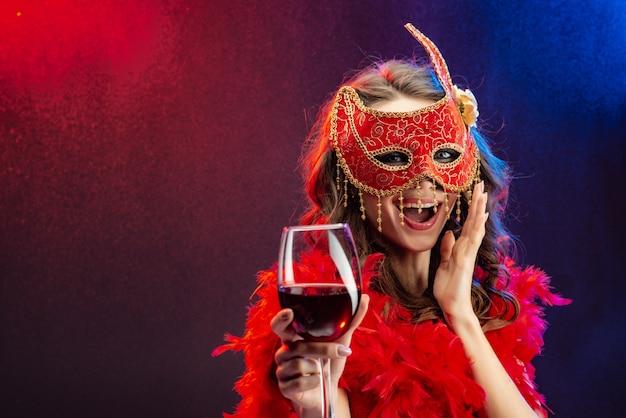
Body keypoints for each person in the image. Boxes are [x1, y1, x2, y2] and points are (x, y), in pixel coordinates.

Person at [213, 24, 570, 417]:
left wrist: (462, 316)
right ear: (348, 179)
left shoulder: (492, 306)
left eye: (445, 156)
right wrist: (320, 404)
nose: (425, 179)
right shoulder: (321, 323)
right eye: (395, 158)